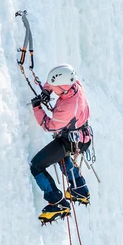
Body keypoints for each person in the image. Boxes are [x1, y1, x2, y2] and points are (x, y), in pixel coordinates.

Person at [29, 64, 93, 223]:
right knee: (60, 156)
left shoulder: (68, 107)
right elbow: (53, 82)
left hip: (70, 142)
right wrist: (46, 91)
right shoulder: (74, 84)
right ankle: (79, 189)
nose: (52, 88)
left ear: (62, 89)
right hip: (81, 137)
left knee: (37, 166)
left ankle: (57, 202)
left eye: (54, 88)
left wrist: (37, 107)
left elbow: (48, 125)